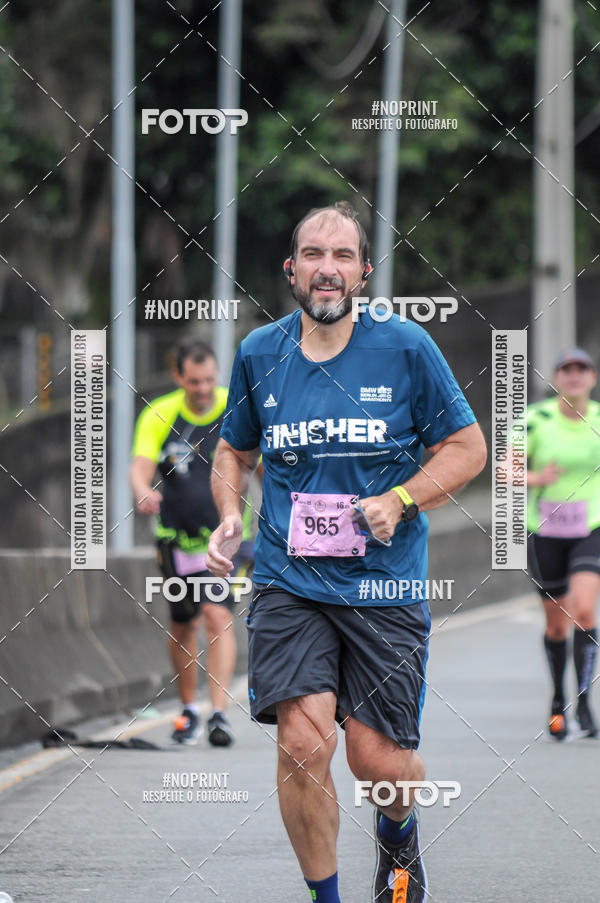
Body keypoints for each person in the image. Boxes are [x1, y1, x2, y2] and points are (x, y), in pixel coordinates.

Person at [206, 201, 487, 903]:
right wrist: (227, 518)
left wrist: (402, 499)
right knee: (303, 748)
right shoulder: (259, 354)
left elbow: (467, 447)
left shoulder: (405, 349)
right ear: (291, 268)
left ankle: (398, 833)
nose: (326, 269)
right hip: (288, 580)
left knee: (379, 762)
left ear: (363, 270)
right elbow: (232, 450)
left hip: (384, 586)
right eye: (312, 255)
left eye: (341, 256)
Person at [130, 338, 254, 746]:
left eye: (209, 380)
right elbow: (140, 466)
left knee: (218, 618)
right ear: (179, 377)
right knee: (185, 624)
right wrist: (142, 491)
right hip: (176, 542)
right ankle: (188, 709)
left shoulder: (235, 408)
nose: (203, 389)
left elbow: (263, 462)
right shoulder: (159, 414)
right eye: (194, 381)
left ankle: (219, 713)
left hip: (229, 538)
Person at [526, 348, 600, 741]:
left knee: (584, 611)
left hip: (591, 527)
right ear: (556, 379)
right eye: (566, 370)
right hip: (546, 532)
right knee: (556, 625)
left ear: (592, 378)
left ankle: (585, 704)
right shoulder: (535, 420)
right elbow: (505, 468)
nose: (574, 376)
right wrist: (538, 478)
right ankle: (559, 699)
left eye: (582, 370)